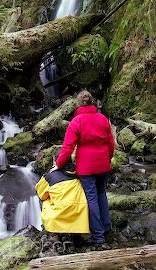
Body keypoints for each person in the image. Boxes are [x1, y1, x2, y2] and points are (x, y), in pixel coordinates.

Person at [52, 90, 115, 246]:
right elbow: (111, 143)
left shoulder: (77, 121)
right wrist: (108, 158)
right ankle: (106, 227)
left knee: (91, 198)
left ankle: (98, 236)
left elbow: (68, 147)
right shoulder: (102, 119)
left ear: (78, 104)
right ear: (92, 102)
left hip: (86, 166)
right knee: (102, 193)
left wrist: (58, 164)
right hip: (103, 163)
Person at [35, 148, 90, 234]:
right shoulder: (80, 173)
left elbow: (40, 194)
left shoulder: (49, 177)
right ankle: (77, 235)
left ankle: (51, 232)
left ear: (55, 161)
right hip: (80, 218)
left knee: (44, 198)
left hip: (59, 217)